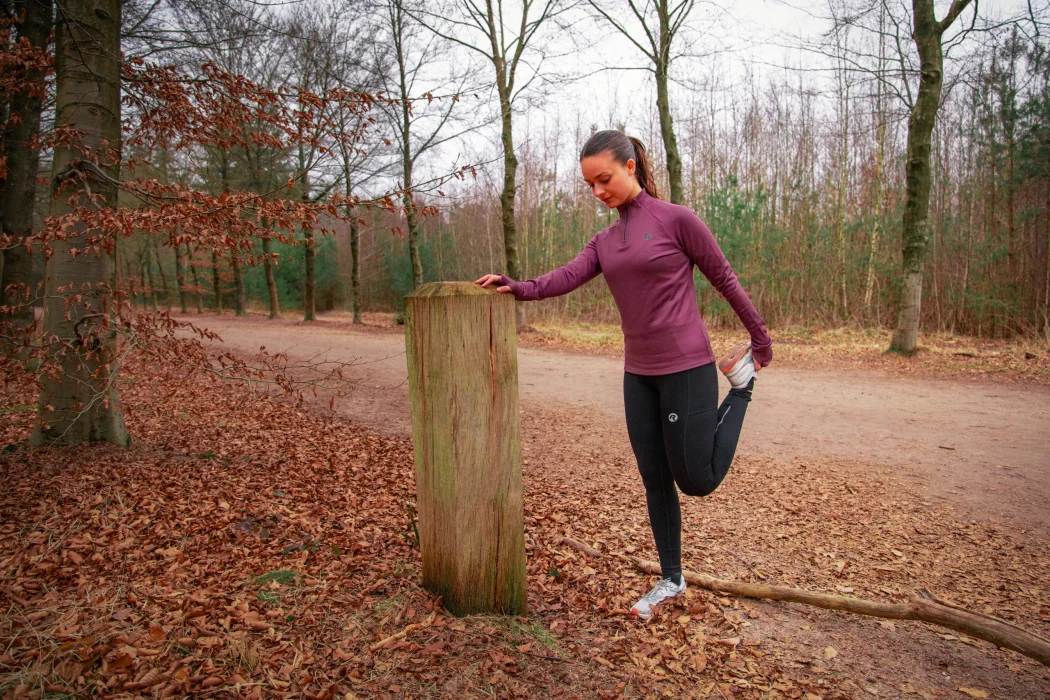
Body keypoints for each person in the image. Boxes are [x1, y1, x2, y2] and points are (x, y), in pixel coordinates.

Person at [475, 129, 772, 621]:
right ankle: (671, 578)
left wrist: (760, 339)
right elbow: (566, 277)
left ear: (630, 167)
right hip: (639, 375)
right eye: (589, 184)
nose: (598, 192)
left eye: (604, 179)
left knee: (696, 480)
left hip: (687, 368)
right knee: (655, 478)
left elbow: (724, 278)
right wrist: (519, 287)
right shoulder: (606, 241)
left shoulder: (677, 220)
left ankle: (741, 389)